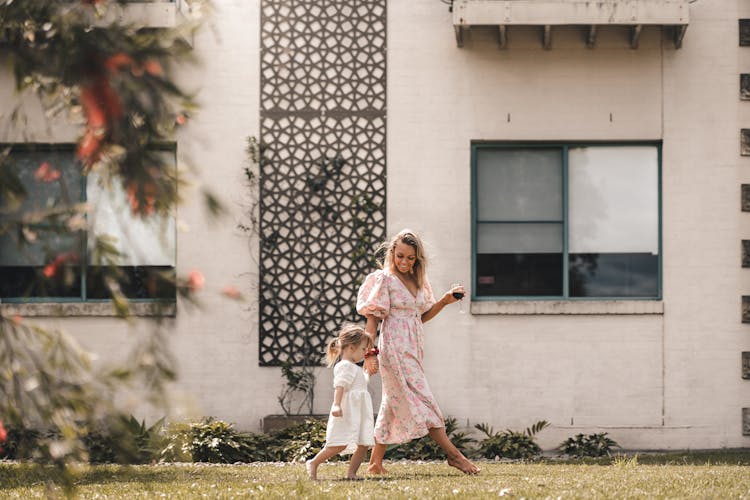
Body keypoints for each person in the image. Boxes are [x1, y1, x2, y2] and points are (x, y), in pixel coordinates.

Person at [357, 229, 480, 475]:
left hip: (413, 349)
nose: (404, 262)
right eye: (400, 256)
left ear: (417, 259)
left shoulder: (419, 280)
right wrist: (369, 353)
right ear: (392, 252)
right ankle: (454, 456)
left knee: (391, 403)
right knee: (426, 402)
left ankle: (374, 464)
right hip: (393, 350)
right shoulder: (385, 280)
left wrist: (444, 301)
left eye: (410, 258)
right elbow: (372, 321)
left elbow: (419, 317)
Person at [306, 324, 375, 480]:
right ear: (351, 347)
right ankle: (314, 462)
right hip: (348, 410)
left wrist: (368, 373)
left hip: (360, 410)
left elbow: (361, 383)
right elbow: (340, 385)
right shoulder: (344, 366)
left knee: (363, 443)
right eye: (363, 349)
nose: (365, 353)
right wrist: (336, 404)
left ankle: (352, 473)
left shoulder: (354, 367)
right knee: (339, 443)